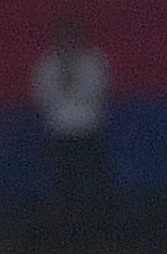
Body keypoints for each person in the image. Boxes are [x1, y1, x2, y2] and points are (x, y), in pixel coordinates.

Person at [33, 16, 110, 199]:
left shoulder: (93, 61)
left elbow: (97, 92)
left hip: (89, 131)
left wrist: (72, 86)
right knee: (64, 188)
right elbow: (43, 95)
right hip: (60, 134)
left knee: (99, 186)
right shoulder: (47, 64)